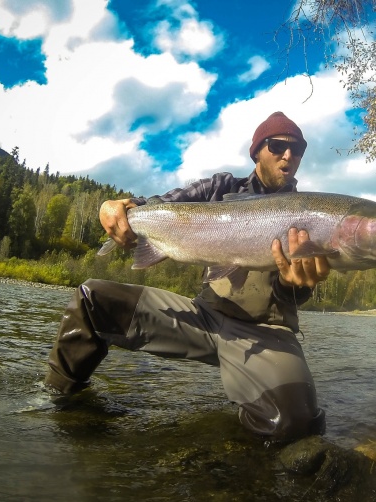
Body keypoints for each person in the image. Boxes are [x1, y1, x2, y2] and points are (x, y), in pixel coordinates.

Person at [44, 112, 329, 441]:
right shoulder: (220, 187)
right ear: (257, 151)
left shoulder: (310, 215)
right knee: (92, 299)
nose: (289, 156)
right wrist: (117, 207)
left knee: (294, 424)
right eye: (278, 146)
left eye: (298, 150)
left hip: (266, 333)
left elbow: (290, 295)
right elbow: (161, 205)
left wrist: (295, 286)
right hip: (203, 318)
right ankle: (56, 403)